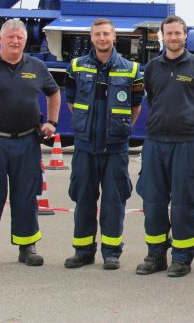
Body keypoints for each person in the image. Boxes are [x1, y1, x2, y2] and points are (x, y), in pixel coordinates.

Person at [0, 18, 61, 270]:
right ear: (0, 39)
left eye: (20, 38)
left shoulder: (36, 66)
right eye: (11, 37)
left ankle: (27, 247)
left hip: (27, 142)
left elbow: (54, 92)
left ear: (25, 41)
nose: (15, 41)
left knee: (26, 196)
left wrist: (52, 122)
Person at [135, 15, 194, 278]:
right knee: (154, 202)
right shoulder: (152, 67)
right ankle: (155, 256)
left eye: (178, 33)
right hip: (155, 143)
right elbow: (151, 98)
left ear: (185, 35)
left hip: (185, 145)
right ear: (162, 37)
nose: (173, 38)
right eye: (168, 34)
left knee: (184, 204)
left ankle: (181, 259)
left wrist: (192, 125)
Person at [64, 18, 143, 270]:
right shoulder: (76, 66)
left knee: (113, 201)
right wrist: (85, 125)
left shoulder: (131, 69)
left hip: (115, 148)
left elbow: (135, 106)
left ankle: (111, 252)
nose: (102, 38)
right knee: (84, 200)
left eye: (106, 34)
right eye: (97, 34)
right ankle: (83, 251)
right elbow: (71, 101)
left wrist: (120, 128)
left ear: (114, 37)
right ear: (91, 37)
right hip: (85, 147)